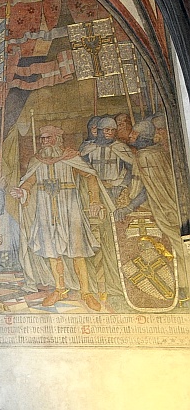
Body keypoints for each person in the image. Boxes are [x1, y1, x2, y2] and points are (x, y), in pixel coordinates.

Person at [11, 125, 103, 311]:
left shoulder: (71, 157)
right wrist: (23, 191)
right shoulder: (37, 160)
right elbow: (30, 181)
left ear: (57, 139)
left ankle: (86, 293)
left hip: (70, 210)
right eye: (42, 139)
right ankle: (60, 290)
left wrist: (94, 200)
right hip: (46, 211)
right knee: (53, 252)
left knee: (77, 251)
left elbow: (90, 176)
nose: (44, 142)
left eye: (48, 138)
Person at [116, 119, 190, 302]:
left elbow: (145, 189)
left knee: (180, 246)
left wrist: (129, 206)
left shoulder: (143, 157)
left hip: (164, 208)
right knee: (180, 245)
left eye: (134, 134)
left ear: (143, 137)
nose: (130, 136)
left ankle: (185, 286)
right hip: (173, 204)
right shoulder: (159, 152)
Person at [79, 116, 135, 301]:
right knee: (94, 239)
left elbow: (131, 170)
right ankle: (96, 285)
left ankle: (115, 283)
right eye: (106, 130)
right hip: (93, 197)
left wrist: (121, 185)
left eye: (112, 130)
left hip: (114, 195)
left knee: (113, 239)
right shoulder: (88, 149)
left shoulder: (120, 148)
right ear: (99, 131)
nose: (109, 133)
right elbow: (81, 172)